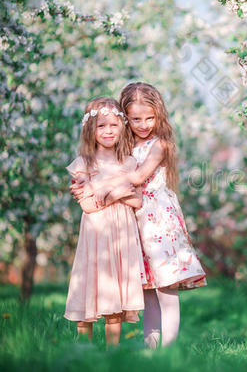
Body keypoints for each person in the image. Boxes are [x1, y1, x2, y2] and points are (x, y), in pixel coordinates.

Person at [72, 83, 207, 348]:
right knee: (147, 293)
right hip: (132, 223)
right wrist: (84, 182)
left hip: (158, 220)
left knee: (166, 289)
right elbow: (102, 165)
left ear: (159, 116)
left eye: (149, 118)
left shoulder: (160, 144)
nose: (143, 124)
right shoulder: (126, 145)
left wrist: (103, 188)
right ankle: (150, 351)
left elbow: (136, 176)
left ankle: (167, 352)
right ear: (125, 119)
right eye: (135, 119)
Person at [64, 97, 146, 346]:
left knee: (115, 297)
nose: (108, 131)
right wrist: (120, 192)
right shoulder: (83, 165)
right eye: (101, 126)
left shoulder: (129, 162)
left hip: (121, 235)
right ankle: (84, 352)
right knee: (88, 283)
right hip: (96, 235)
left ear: (122, 127)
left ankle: (114, 354)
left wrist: (109, 192)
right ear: (90, 129)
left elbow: (138, 201)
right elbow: (89, 206)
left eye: (113, 125)